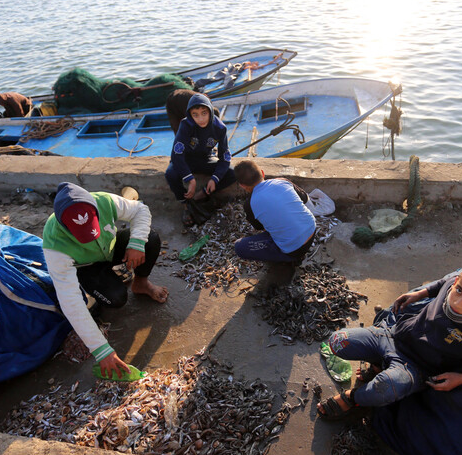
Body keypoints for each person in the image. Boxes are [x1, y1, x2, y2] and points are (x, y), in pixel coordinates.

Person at [316, 261, 462, 419]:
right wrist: (420, 294)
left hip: (414, 367)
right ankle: (378, 365)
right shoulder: (453, 285)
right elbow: (444, 283)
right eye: (459, 290)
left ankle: (353, 398)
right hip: (394, 335)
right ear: (458, 281)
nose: (458, 302)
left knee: (384, 389)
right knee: (337, 340)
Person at [42, 182, 169, 378]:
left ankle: (140, 283)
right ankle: (96, 288)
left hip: (109, 248)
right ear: (64, 227)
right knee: (116, 299)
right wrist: (101, 350)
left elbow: (141, 210)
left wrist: (136, 243)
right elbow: (70, 302)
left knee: (150, 239)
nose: (90, 237)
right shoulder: (54, 244)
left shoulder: (104, 201)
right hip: (87, 267)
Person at [165, 93, 236, 225]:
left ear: (210, 111)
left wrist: (215, 178)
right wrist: (189, 179)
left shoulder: (220, 128)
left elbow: (225, 157)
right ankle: (186, 204)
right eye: (195, 114)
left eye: (204, 113)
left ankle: (203, 194)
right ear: (190, 115)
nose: (201, 118)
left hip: (206, 158)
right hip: (186, 159)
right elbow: (176, 154)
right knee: (170, 174)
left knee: (233, 172)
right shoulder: (186, 125)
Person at [233, 159, 317, 263]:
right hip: (312, 230)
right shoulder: (282, 181)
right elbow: (304, 198)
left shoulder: (249, 205)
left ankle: (289, 260)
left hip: (293, 251)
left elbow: (260, 227)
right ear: (262, 173)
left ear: (242, 186)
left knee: (239, 247)